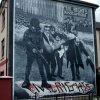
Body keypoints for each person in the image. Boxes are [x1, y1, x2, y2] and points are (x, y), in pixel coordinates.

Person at [22, 18, 51, 88]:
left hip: (38, 53)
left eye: (36, 26)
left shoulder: (39, 32)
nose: (35, 27)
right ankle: (26, 81)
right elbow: (25, 41)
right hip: (30, 53)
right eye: (34, 26)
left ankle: (44, 82)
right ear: (31, 25)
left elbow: (41, 41)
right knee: (28, 67)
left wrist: (41, 48)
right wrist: (32, 48)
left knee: (41, 67)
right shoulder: (27, 32)